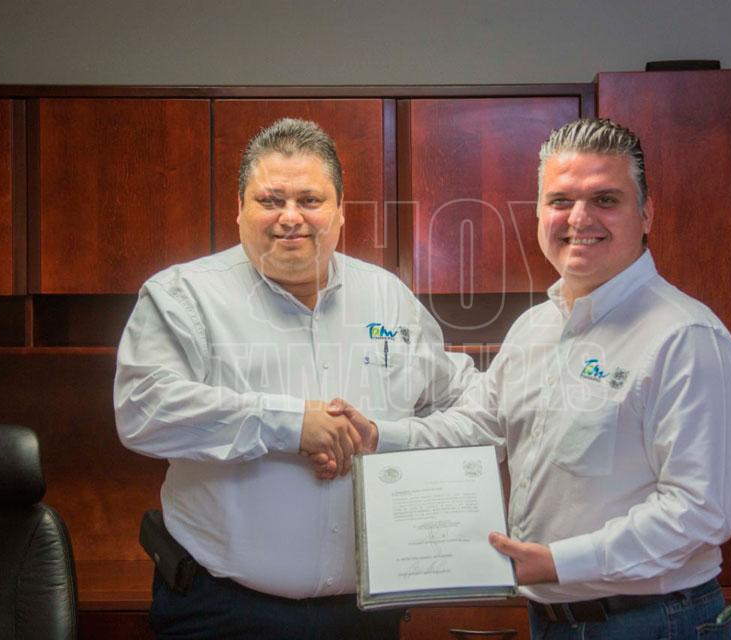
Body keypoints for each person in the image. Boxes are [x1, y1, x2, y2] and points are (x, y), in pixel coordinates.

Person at [323, 118, 731, 638]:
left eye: (605, 199)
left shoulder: (686, 338)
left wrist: (558, 563)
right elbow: (478, 427)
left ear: (646, 214)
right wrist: (376, 435)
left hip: (652, 621)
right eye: (560, 201)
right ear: (539, 214)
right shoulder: (534, 328)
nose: (580, 218)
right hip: (551, 622)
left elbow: (700, 513)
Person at [114, 118, 475, 639]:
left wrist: (383, 438)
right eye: (270, 200)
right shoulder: (183, 296)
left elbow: (470, 404)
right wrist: (290, 425)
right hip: (221, 611)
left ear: (340, 211)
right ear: (239, 209)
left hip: (363, 615)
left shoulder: (388, 297)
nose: (290, 217)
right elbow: (142, 410)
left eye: (310, 200)